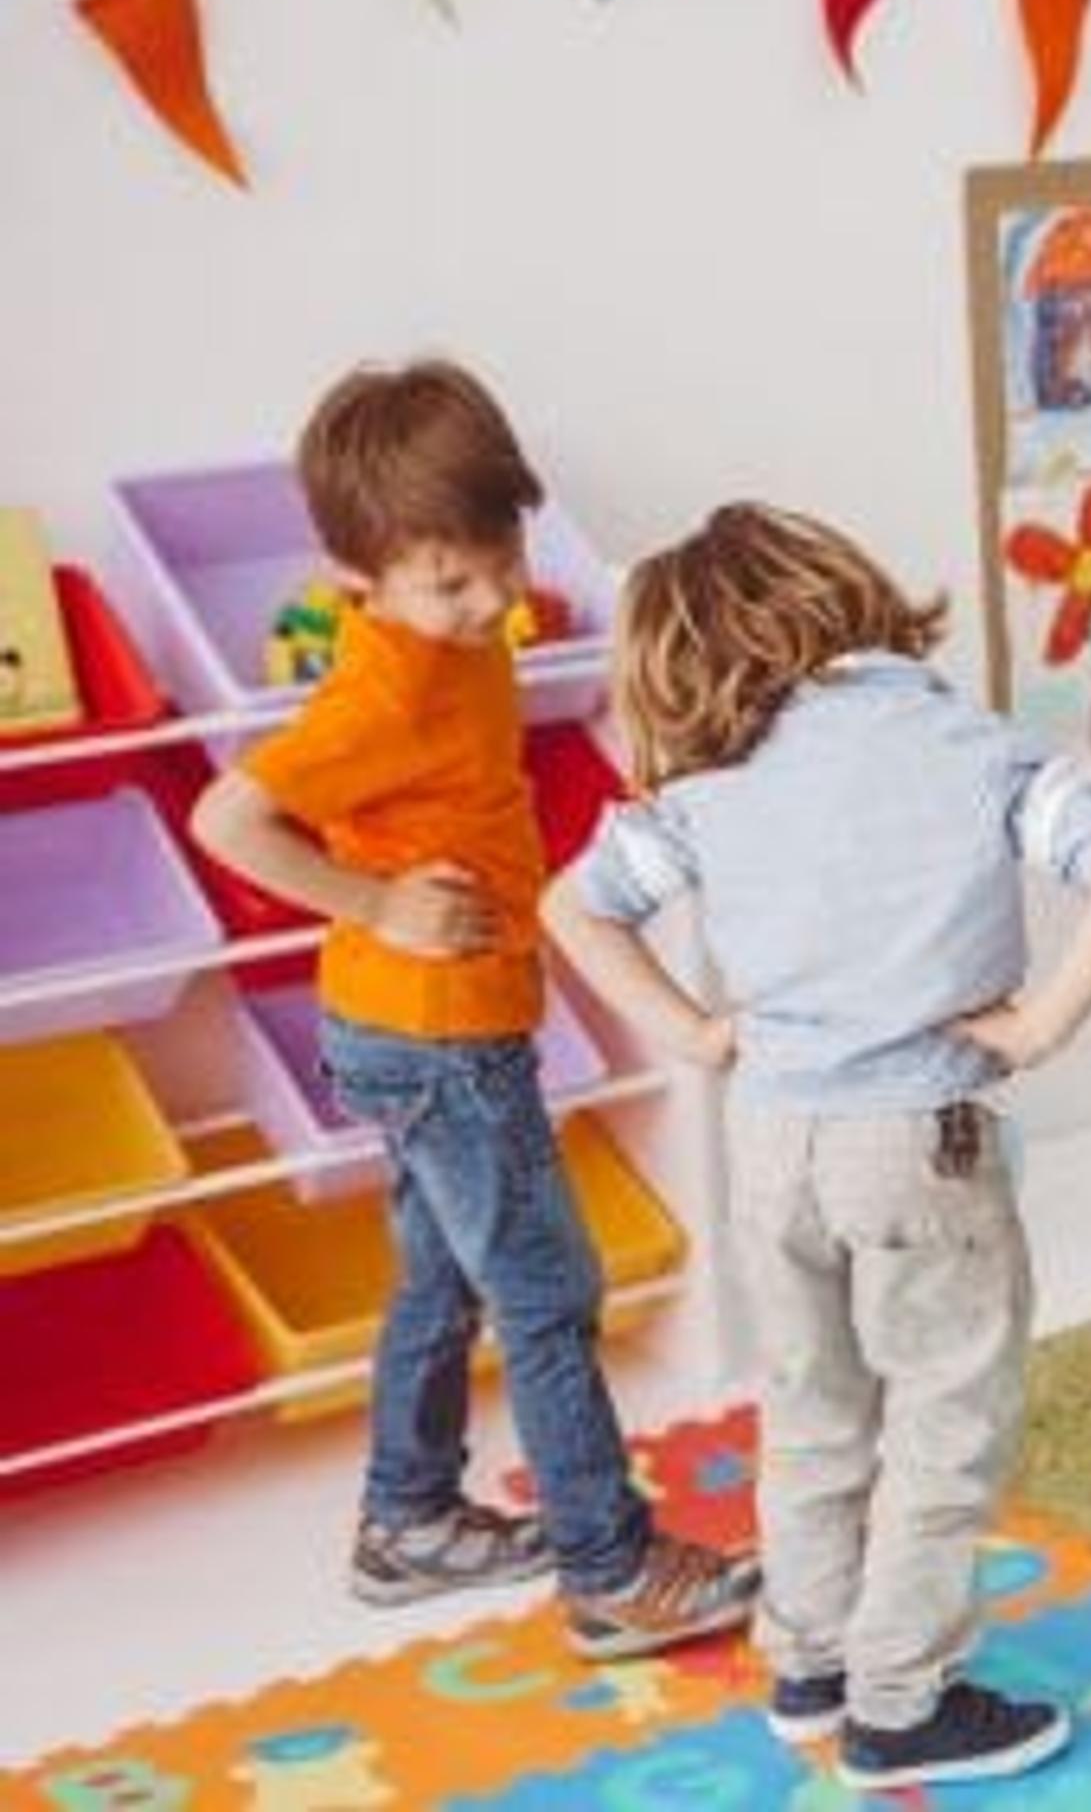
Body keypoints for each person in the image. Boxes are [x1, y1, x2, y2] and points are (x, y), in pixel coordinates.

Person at [540, 503, 1091, 1788]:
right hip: (916, 1139)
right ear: (843, 589)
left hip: (770, 1137)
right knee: (945, 1417)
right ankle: (898, 1701)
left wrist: (694, 1035)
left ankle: (810, 1660)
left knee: (814, 1410)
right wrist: (1040, 1025)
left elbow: (573, 907)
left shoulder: (709, 780)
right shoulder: (968, 743)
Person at [186, 359, 760, 1659]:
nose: (491, 595)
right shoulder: (381, 686)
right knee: (549, 1293)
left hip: (436, 1024)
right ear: (359, 588)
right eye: (449, 583)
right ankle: (611, 1569)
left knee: (442, 1278)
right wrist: (372, 903)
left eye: (497, 555)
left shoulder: (463, 634)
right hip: (432, 1031)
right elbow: (227, 816)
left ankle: (408, 1521)